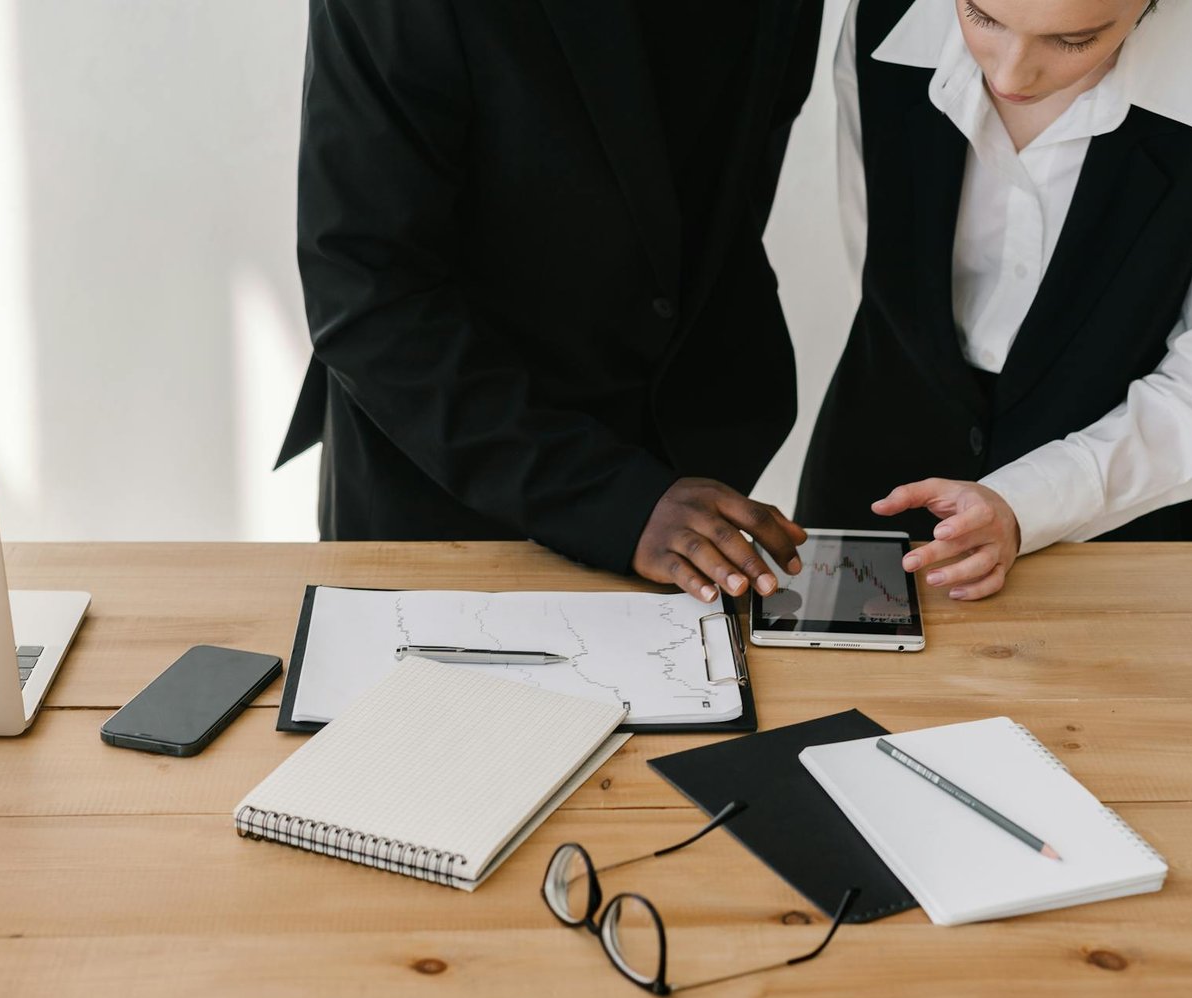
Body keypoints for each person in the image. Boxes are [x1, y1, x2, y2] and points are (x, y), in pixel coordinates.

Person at [275, 0, 824, 603]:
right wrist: (615, 501)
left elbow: (737, 178)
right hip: (447, 489)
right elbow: (363, 284)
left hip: (694, 485)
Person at [796, 0, 1192, 599]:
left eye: (1074, 40)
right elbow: (876, 268)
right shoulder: (879, 16)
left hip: (1127, 522)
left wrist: (1029, 501)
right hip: (873, 488)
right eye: (979, 16)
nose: (1008, 76)